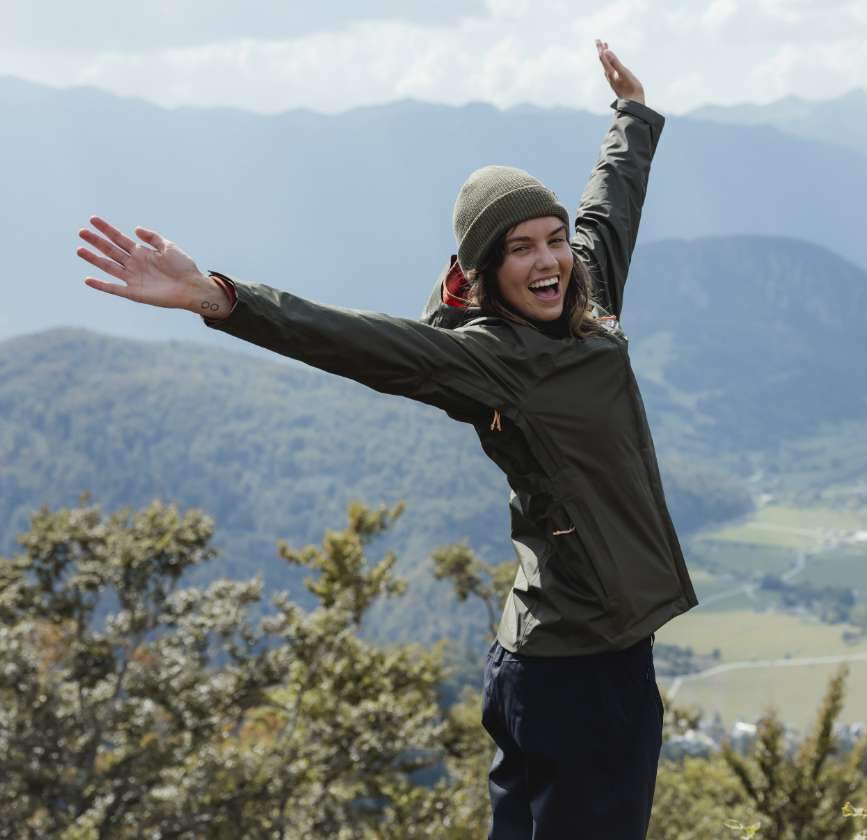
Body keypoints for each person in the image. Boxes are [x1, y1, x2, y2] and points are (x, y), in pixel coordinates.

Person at [76, 39, 697, 840]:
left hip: (547, 660)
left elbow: (609, 209)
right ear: (484, 272)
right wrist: (222, 300)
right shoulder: (491, 360)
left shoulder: (584, 298)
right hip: (585, 672)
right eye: (520, 248)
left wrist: (632, 113)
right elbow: (355, 341)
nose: (549, 258)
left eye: (552, 238)